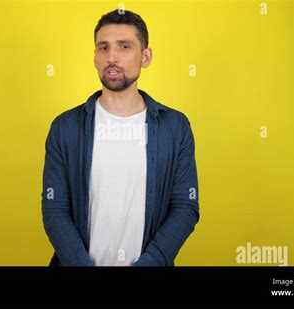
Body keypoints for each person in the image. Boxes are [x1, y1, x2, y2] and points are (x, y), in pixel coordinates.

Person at [41, 9, 200, 266]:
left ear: (145, 57)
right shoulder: (65, 128)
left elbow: (185, 208)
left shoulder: (176, 127)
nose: (111, 57)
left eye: (124, 46)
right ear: (94, 57)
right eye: (103, 48)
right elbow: (55, 211)